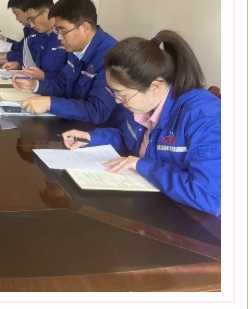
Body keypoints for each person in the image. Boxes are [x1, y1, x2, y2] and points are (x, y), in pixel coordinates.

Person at [62, 31, 221, 218]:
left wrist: (143, 165)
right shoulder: (144, 104)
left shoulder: (203, 119)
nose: (118, 101)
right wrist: (91, 137)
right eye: (114, 92)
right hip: (157, 204)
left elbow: (210, 197)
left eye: (122, 94)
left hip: (201, 224)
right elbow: (128, 137)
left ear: (155, 85)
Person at [13, 0, 122, 127]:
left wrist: (51, 103)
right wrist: (35, 85)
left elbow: (98, 110)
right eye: (57, 31)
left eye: (63, 31)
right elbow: (63, 84)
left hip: (100, 131)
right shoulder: (76, 48)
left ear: (85, 28)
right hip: (74, 123)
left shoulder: (111, 56)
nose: (59, 37)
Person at [3, 0, 66, 79]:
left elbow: (68, 80)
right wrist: (19, 64)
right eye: (29, 21)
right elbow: (34, 62)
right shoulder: (45, 37)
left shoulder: (66, 38)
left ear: (47, 12)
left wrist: (44, 77)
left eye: (32, 19)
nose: (32, 25)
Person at [0, 0, 38, 66]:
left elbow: (33, 56)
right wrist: (5, 39)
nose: (16, 18)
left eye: (17, 14)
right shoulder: (28, 29)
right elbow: (21, 48)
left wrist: (7, 55)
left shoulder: (40, 30)